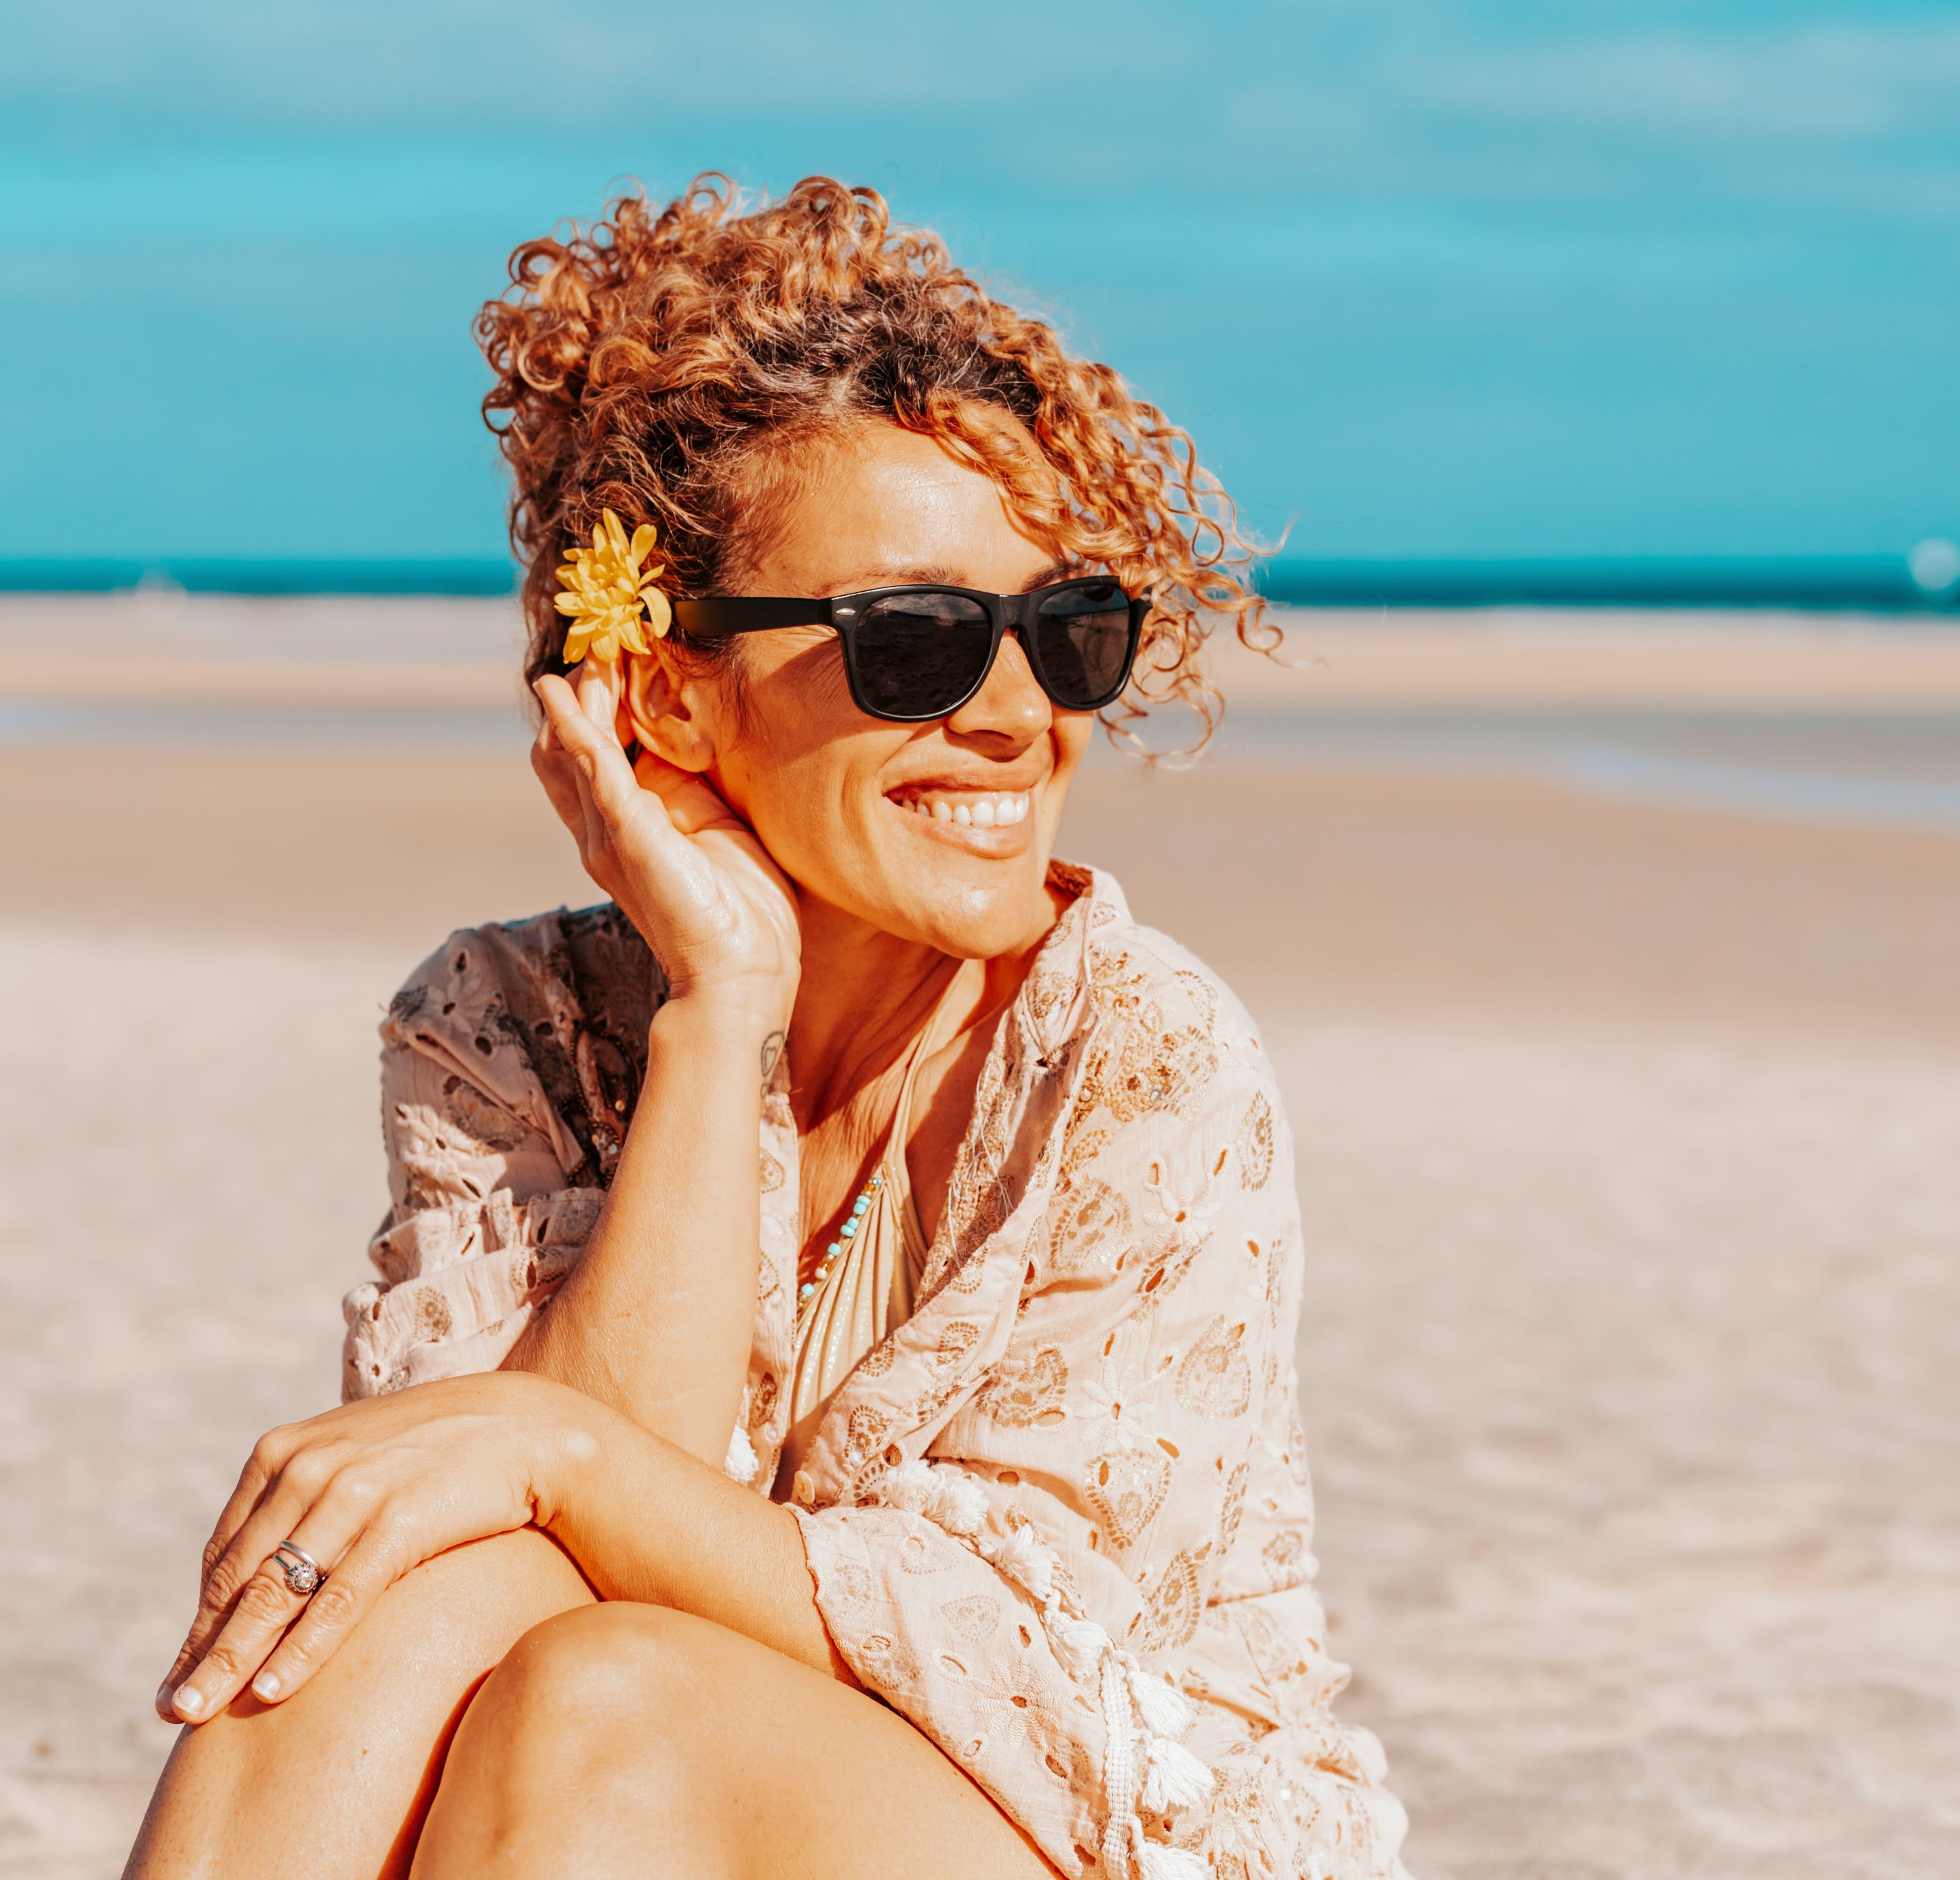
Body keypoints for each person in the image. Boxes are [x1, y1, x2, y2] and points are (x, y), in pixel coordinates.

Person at [123, 174, 1409, 1880]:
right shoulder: (501, 1020)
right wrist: (721, 1012)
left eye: (1066, 632)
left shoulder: (1144, 1056)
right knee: (396, 1596)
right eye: (920, 642)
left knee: (608, 1694)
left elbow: (1006, 1674)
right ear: (664, 685)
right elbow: (468, 1531)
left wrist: (555, 1447)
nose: (1020, 714)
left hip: (1101, 1832)